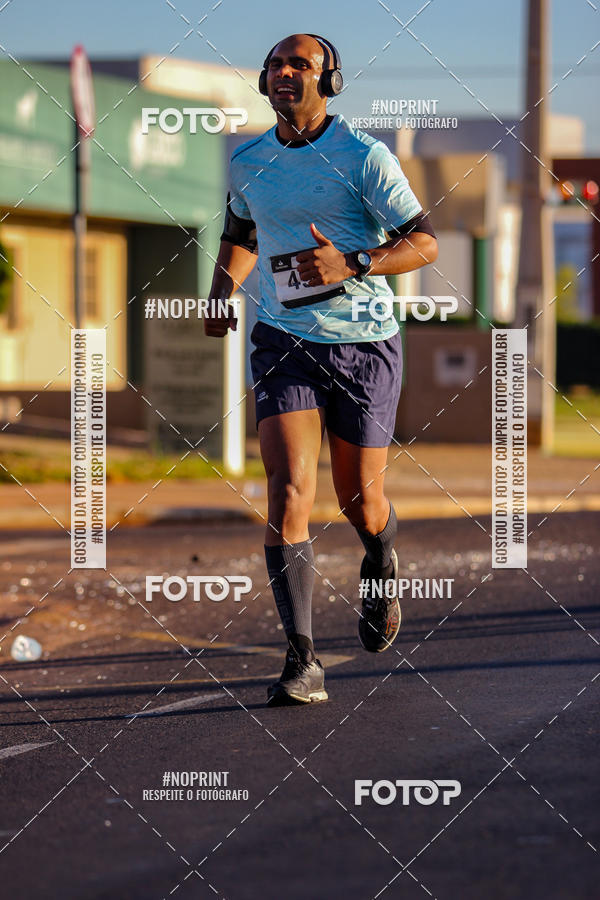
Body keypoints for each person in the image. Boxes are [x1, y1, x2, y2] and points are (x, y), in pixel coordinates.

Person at [206, 33, 438, 706]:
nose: (284, 73)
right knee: (287, 491)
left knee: (359, 500)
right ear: (262, 77)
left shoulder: (363, 158)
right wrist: (222, 292)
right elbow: (242, 233)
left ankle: (380, 555)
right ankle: (302, 659)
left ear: (328, 80)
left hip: (363, 344)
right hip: (282, 339)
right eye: (276, 63)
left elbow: (424, 240)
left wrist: (355, 262)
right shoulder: (248, 160)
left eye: (299, 64)